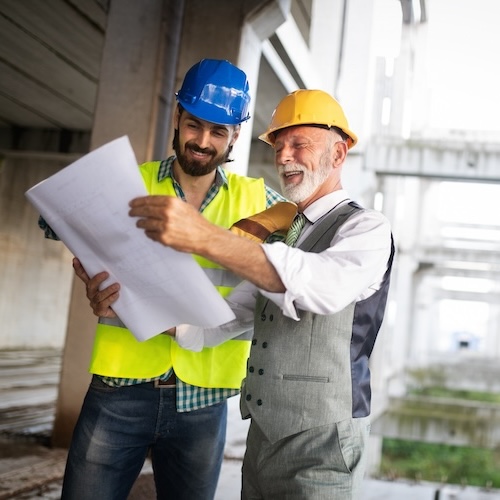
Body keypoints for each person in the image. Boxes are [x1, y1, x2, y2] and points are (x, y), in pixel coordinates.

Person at [127, 89, 395, 499]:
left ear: (338, 155)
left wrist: (205, 237)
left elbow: (318, 287)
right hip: (264, 436)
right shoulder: (288, 233)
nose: (284, 156)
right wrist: (159, 317)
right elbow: (238, 312)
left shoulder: (366, 228)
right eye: (279, 145)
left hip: (324, 441)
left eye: (299, 144)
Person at [41, 59, 290, 500]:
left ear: (235, 136)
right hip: (119, 389)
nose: (202, 141)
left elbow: (309, 220)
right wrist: (91, 276)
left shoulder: (256, 199)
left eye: (219, 132)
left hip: (203, 398)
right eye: (194, 125)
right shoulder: (128, 185)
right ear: (177, 119)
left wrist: (264, 221)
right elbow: (57, 216)